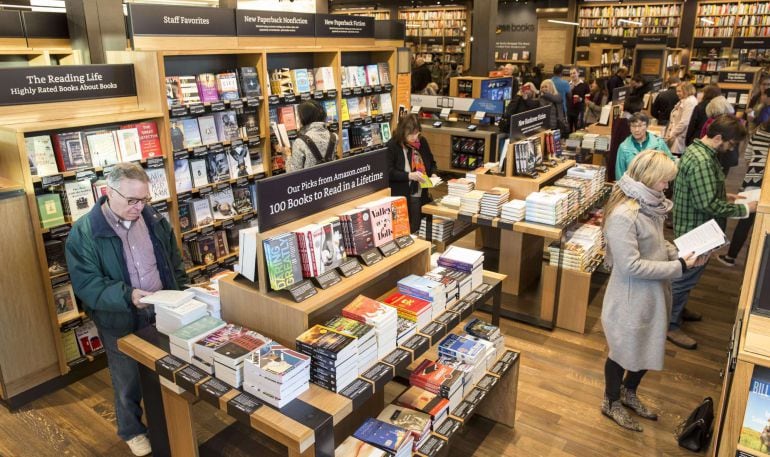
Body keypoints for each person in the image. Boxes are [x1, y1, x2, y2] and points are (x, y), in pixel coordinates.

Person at [65, 163, 188, 457]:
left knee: (168, 366)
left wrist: (184, 293)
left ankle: (169, 421)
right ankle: (132, 429)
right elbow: (88, 284)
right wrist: (128, 296)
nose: (139, 207)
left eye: (144, 199)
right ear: (109, 192)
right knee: (126, 378)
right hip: (120, 316)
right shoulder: (84, 233)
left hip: (163, 308)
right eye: (131, 200)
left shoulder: (155, 219)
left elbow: (173, 260)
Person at [601, 150, 705, 431]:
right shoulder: (625, 215)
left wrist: (680, 251)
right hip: (630, 298)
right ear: (649, 178)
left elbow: (657, 244)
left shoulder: (651, 205)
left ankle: (628, 392)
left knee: (647, 346)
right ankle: (611, 401)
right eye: (663, 181)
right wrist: (680, 266)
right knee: (622, 351)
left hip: (653, 295)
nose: (666, 187)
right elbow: (631, 266)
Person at [669, 115, 757, 349]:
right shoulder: (702, 161)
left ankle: (678, 311)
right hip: (696, 230)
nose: (731, 149)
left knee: (688, 276)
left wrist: (723, 195)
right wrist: (744, 208)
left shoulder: (701, 153)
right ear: (719, 138)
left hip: (698, 227)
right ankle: (671, 324)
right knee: (684, 278)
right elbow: (707, 204)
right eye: (730, 144)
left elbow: (702, 193)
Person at [718, 118, 770, 266]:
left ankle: (731, 256)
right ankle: (757, 265)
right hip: (767, 185)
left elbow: (747, 157)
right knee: (763, 227)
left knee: (745, 222)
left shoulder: (758, 133)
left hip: (753, 180)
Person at [386, 114, 438, 233]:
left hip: (420, 191)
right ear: (402, 132)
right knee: (404, 229)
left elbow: (431, 162)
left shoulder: (421, 142)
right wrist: (409, 176)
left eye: (417, 133)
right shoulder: (392, 146)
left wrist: (433, 173)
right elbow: (389, 172)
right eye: (411, 134)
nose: (415, 137)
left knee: (418, 227)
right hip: (400, 194)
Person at [616, 113, 674, 178]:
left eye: (640, 126)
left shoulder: (658, 144)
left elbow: (670, 162)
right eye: (633, 126)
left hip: (654, 185)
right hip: (632, 186)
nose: (636, 130)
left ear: (647, 126)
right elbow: (620, 173)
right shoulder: (624, 147)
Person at [286, 100, 338, 173]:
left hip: (309, 183)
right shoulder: (334, 137)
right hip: (329, 181)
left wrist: (287, 156)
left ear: (304, 118)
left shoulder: (300, 142)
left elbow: (292, 175)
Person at [700, 96, 739, 176]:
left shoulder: (712, 122)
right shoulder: (736, 121)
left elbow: (703, 137)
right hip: (729, 157)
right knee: (722, 177)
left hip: (715, 155)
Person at [664, 82, 698, 156]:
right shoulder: (685, 100)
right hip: (675, 138)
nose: (677, 93)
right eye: (677, 91)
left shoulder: (690, 102)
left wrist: (672, 134)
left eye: (679, 91)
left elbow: (684, 122)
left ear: (687, 90)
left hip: (679, 139)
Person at [567, 67, 590, 132]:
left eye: (574, 73)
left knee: (579, 130)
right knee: (569, 130)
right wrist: (570, 90)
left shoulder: (584, 85)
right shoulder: (568, 85)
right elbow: (565, 98)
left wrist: (580, 99)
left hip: (580, 110)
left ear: (578, 73)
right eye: (571, 74)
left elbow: (587, 100)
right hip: (569, 110)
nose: (572, 75)